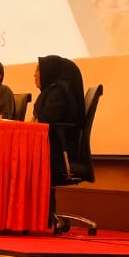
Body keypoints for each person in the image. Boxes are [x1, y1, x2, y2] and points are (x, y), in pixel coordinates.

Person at [33, 54, 87, 187]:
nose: (34, 75)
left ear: (49, 71)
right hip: (54, 150)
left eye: (38, 70)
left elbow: (46, 120)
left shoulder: (58, 93)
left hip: (58, 155)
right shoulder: (52, 91)